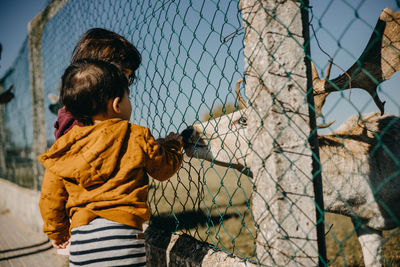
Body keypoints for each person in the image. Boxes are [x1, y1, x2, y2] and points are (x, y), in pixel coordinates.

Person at [39, 59, 183, 266]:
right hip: (125, 238)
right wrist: (172, 147)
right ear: (117, 104)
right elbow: (164, 169)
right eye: (128, 97)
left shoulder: (64, 148)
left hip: (82, 243)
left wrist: (58, 232)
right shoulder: (136, 135)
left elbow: (51, 198)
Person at [54, 27, 141, 139]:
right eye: (123, 73)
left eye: (129, 76)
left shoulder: (77, 117)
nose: (127, 82)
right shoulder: (78, 126)